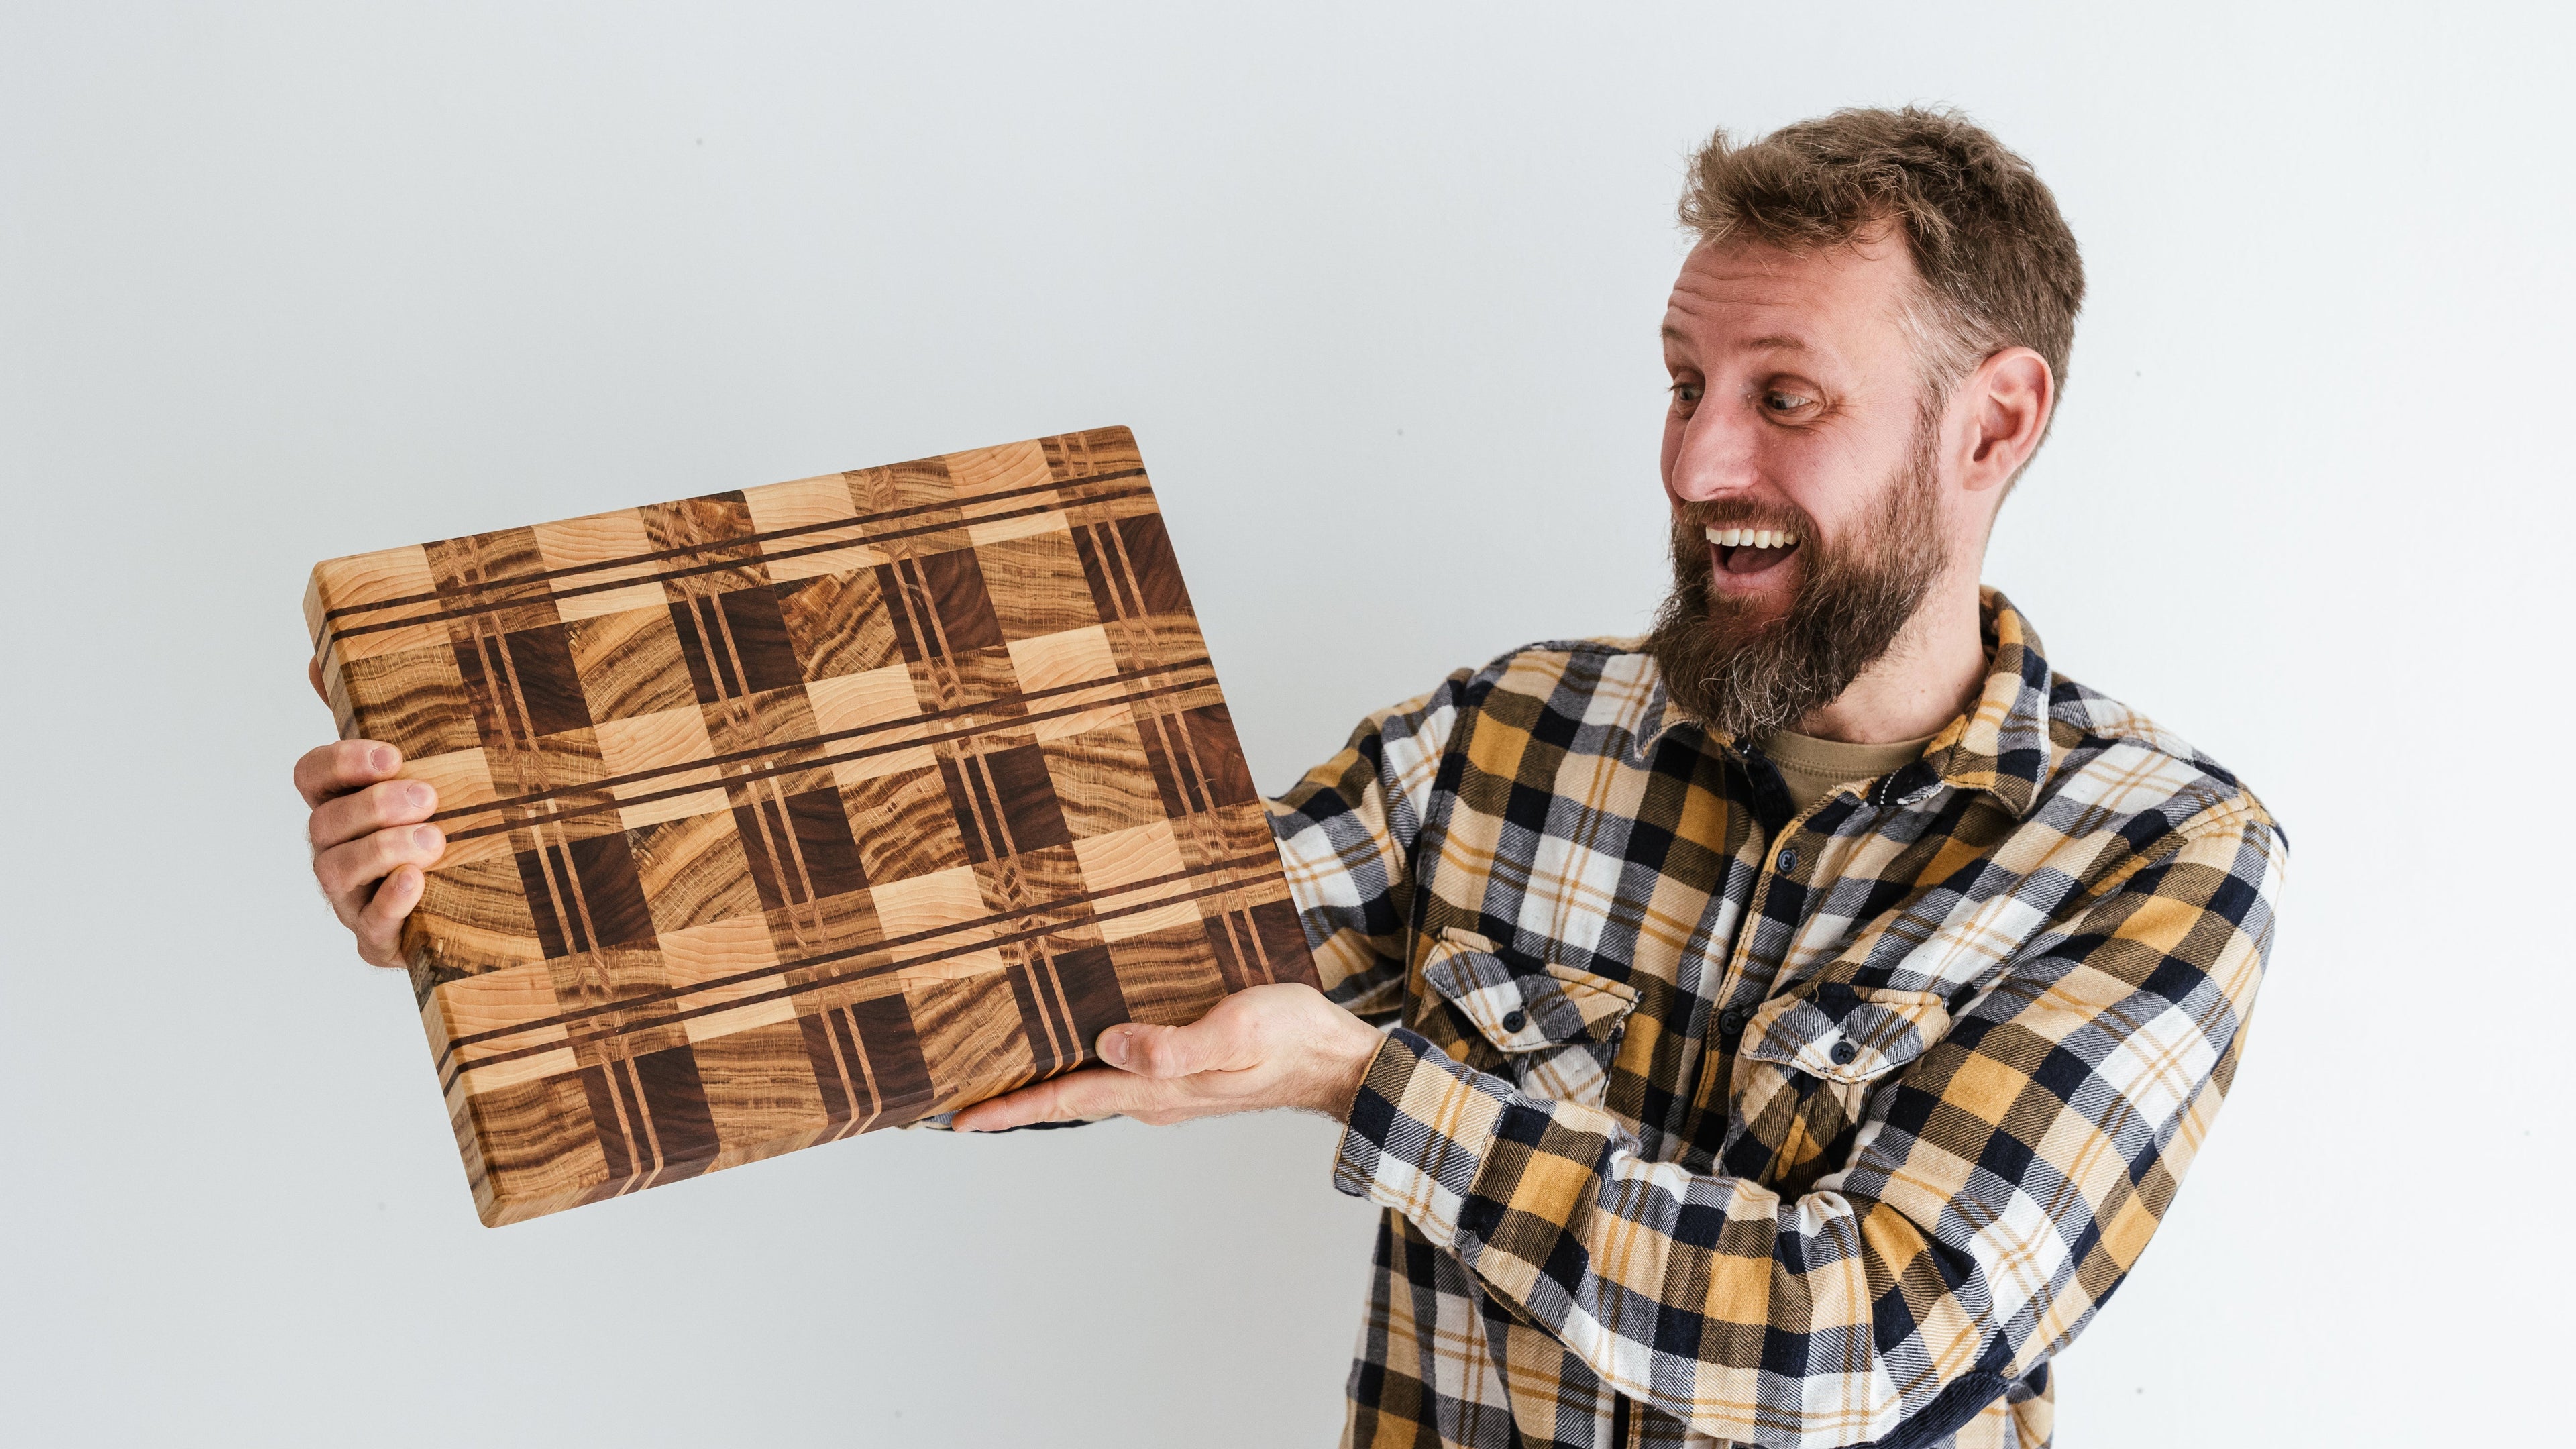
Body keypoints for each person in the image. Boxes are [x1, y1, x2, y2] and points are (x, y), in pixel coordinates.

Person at [295, 107, 2284, 1449]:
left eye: (1787, 399)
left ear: (1993, 422)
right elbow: (1044, 978)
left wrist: (1365, 1081)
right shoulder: (1505, 737)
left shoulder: (2159, 860)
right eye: (1685, 386)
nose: (1696, 464)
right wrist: (496, 899)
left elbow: (1846, 1347)